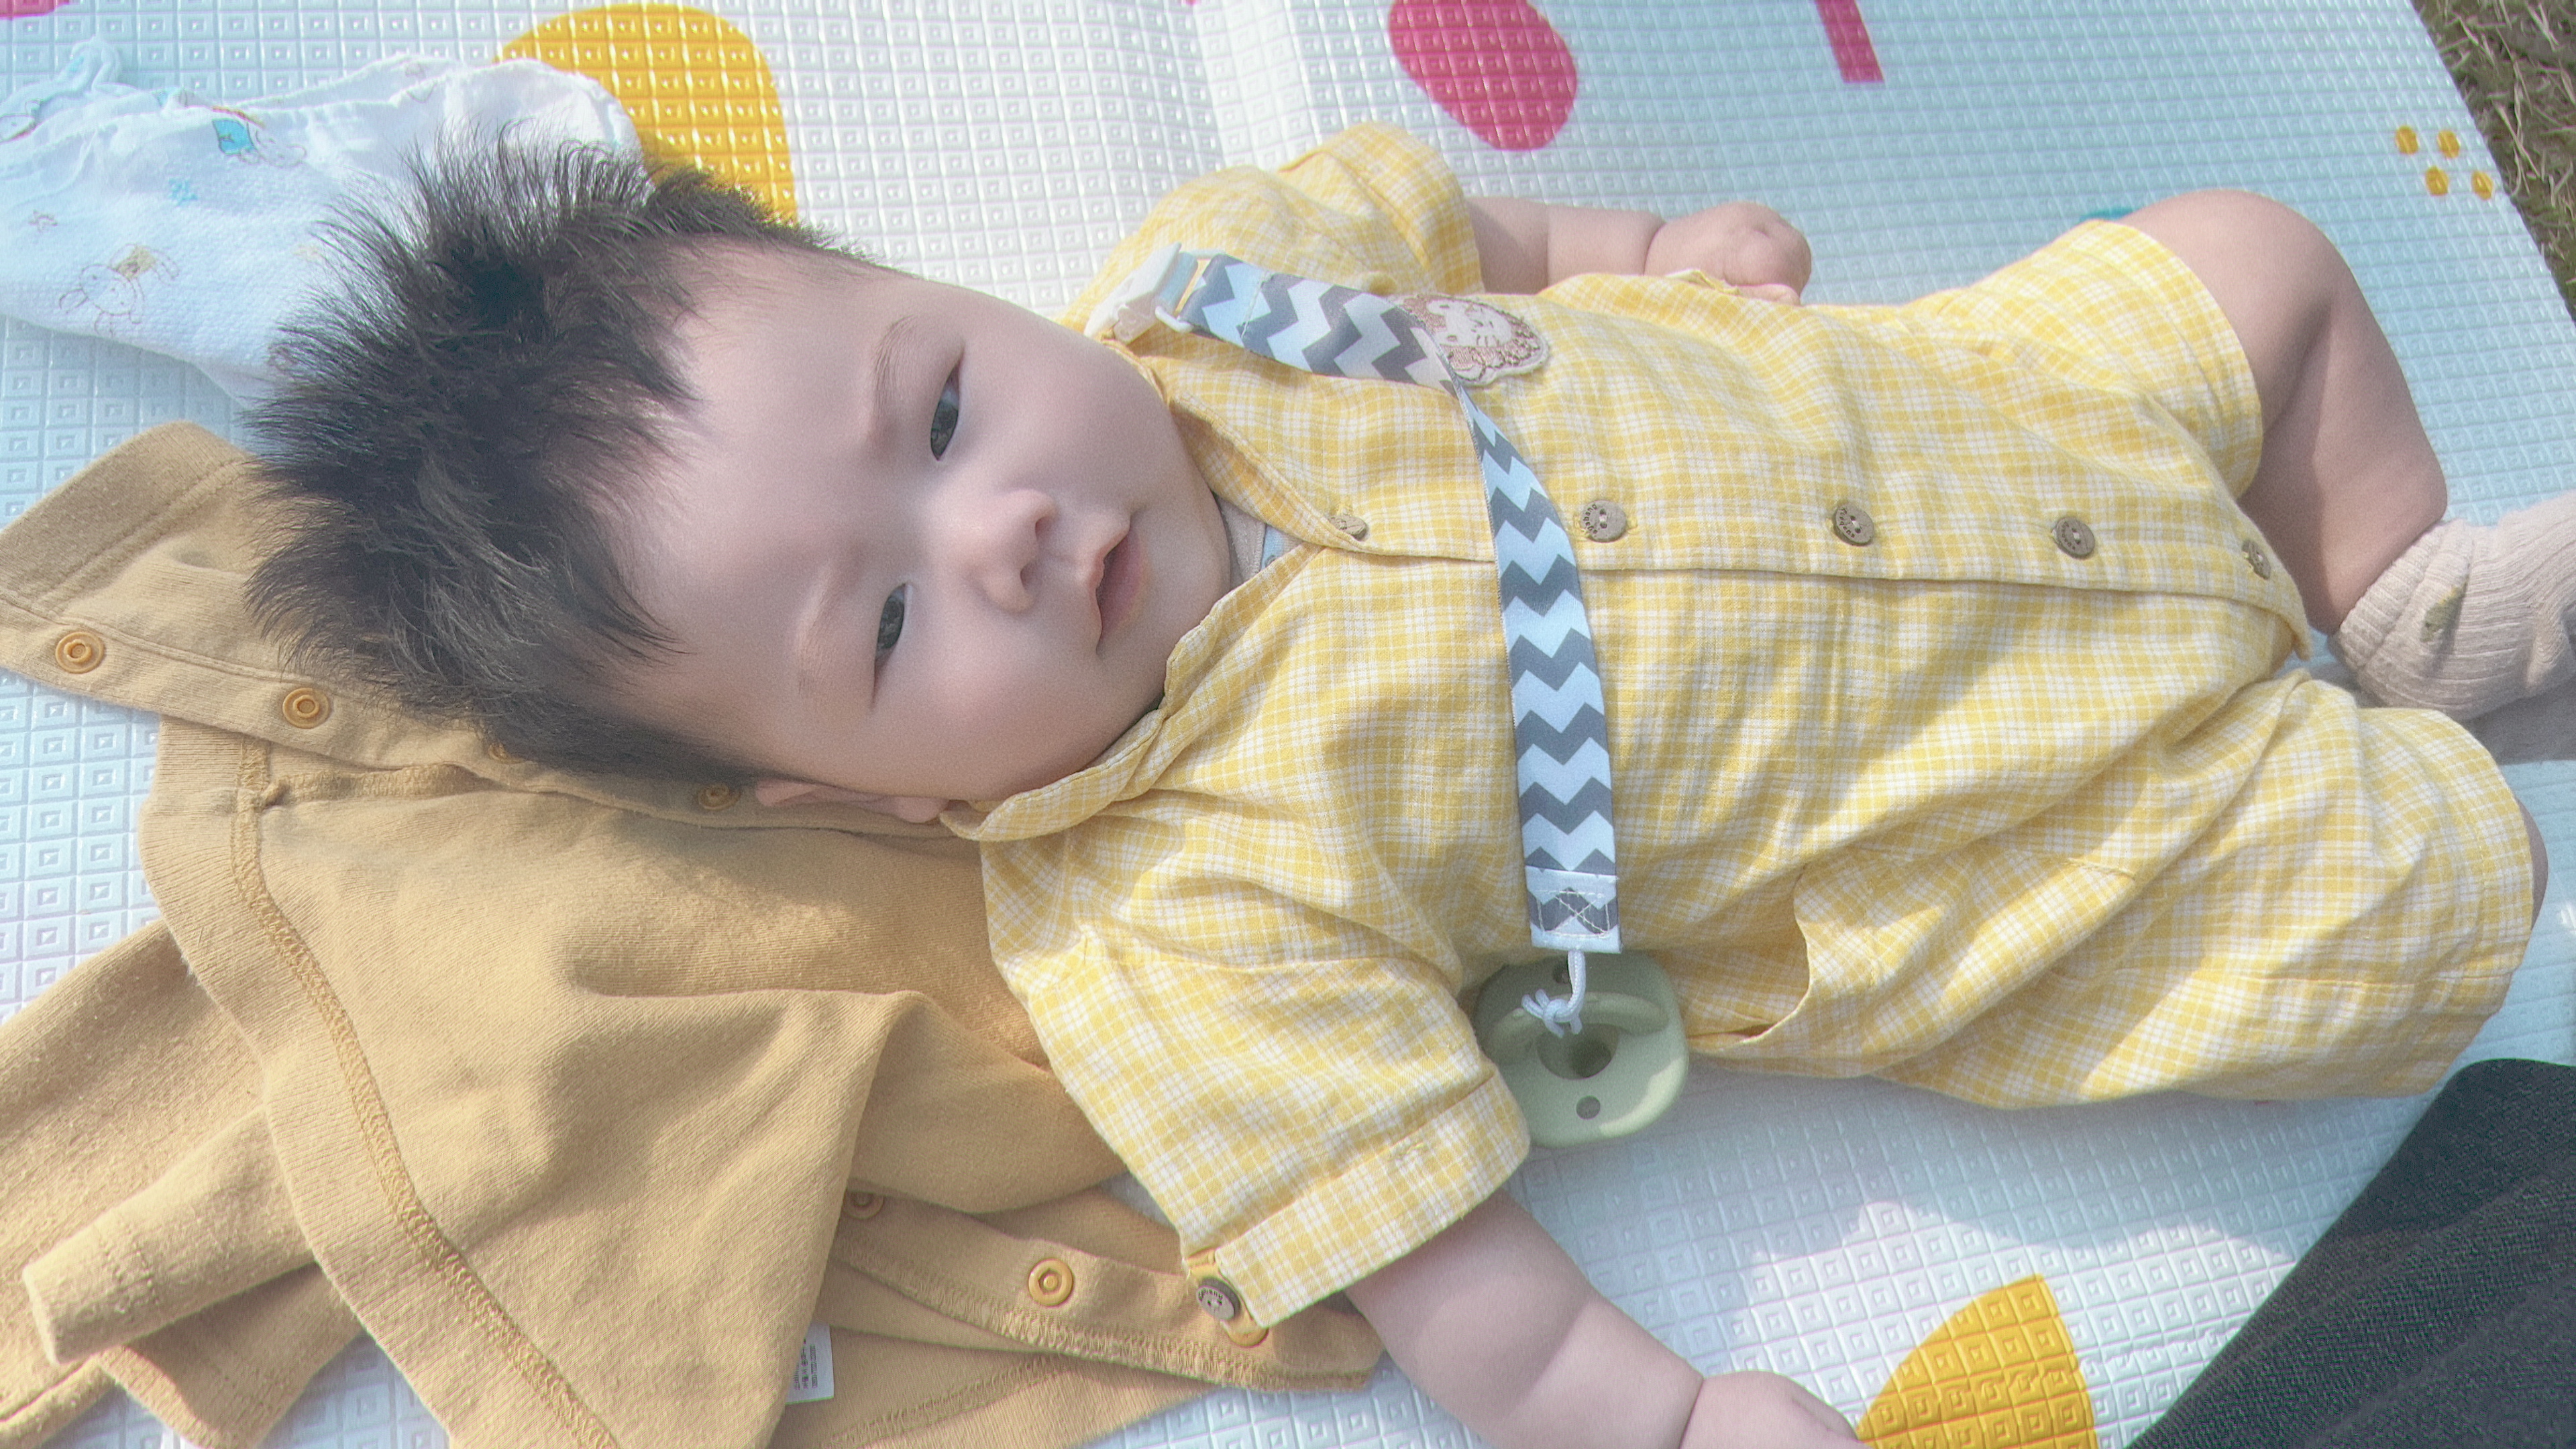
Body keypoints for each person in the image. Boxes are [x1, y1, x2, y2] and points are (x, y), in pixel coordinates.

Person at [246, 124, 2559, 1449]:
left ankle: (2386, 599)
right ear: (856, 808)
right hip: (2033, 810)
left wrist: (1653, 255)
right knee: (2424, 905)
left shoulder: (1232, 279)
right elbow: (1455, 1284)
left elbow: (1487, 240)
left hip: (2010, 413)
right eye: (883, 628)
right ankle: (2403, 728)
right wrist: (1667, 1422)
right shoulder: (1165, 923)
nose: (1003, 531)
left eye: (940, 412)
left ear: (940, 292)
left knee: (2251, 265)